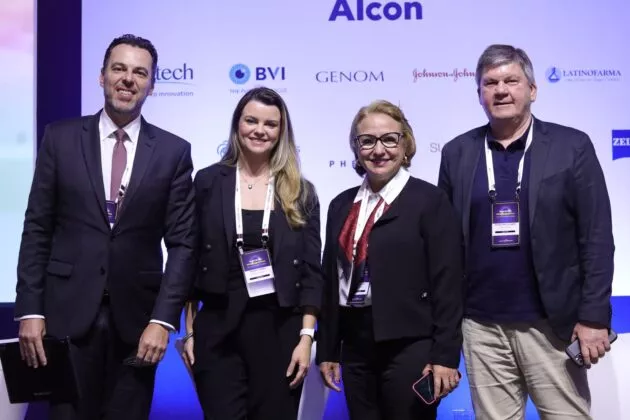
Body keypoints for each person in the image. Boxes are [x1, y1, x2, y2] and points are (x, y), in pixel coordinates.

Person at [15, 34, 196, 419]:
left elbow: (183, 245)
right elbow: (37, 228)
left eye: (140, 73)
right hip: (64, 317)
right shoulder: (59, 138)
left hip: (138, 325)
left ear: (152, 85)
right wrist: (29, 309)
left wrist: (163, 320)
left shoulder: (173, 152)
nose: (128, 79)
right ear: (102, 76)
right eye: (119, 69)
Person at [438, 44, 615, 419]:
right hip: (481, 327)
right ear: (479, 94)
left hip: (552, 326)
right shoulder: (457, 152)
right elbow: (447, 245)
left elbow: (597, 238)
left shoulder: (572, 146)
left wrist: (594, 317)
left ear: (532, 90)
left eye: (511, 81)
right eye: (490, 83)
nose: (501, 90)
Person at [181, 87, 323, 420]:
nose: (260, 130)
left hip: (280, 330)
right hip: (217, 328)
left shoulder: (300, 191)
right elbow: (189, 261)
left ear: (282, 131)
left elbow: (311, 274)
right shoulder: (207, 181)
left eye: (270, 124)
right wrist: (190, 333)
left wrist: (306, 339)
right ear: (237, 124)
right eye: (251, 121)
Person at [317, 100, 464, 420]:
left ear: (405, 144)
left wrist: (445, 355)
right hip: (355, 344)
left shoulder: (429, 201)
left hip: (411, 345)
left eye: (389, 139)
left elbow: (448, 283)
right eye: (367, 141)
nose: (378, 150)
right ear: (356, 148)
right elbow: (331, 279)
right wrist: (327, 348)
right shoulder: (341, 205)